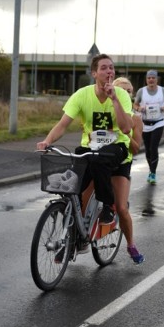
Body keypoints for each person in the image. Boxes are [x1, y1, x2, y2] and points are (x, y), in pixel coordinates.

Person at [37, 53, 133, 227]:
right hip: (90, 147)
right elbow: (63, 124)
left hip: (116, 146)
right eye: (103, 68)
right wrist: (47, 141)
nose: (109, 71)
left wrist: (115, 100)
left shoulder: (121, 95)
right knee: (74, 180)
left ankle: (107, 206)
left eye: (111, 67)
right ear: (94, 74)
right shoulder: (81, 95)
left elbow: (126, 128)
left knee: (100, 159)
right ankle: (73, 229)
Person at [110, 76, 145, 264]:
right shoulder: (104, 111)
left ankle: (130, 244)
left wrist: (124, 134)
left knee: (121, 208)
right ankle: (72, 239)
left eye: (129, 91)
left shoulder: (136, 120)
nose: (126, 94)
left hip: (121, 162)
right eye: (121, 90)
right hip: (99, 159)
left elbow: (136, 148)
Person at [133, 69, 164, 184]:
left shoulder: (163, 90)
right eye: (149, 78)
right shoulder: (141, 91)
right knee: (148, 149)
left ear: (156, 79)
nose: (151, 80)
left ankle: (153, 173)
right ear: (146, 80)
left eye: (153, 78)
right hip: (145, 123)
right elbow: (135, 104)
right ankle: (151, 169)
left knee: (153, 147)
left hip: (158, 122)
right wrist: (139, 108)